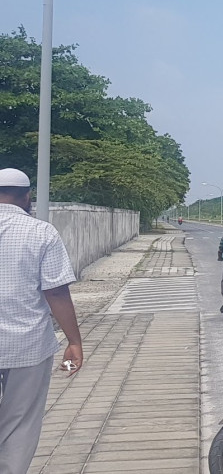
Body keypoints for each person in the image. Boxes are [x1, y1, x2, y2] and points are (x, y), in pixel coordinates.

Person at [0, 168, 83, 474]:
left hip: (27, 345)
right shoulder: (41, 232)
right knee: (20, 423)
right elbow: (56, 292)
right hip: (28, 345)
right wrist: (74, 342)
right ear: (26, 196)